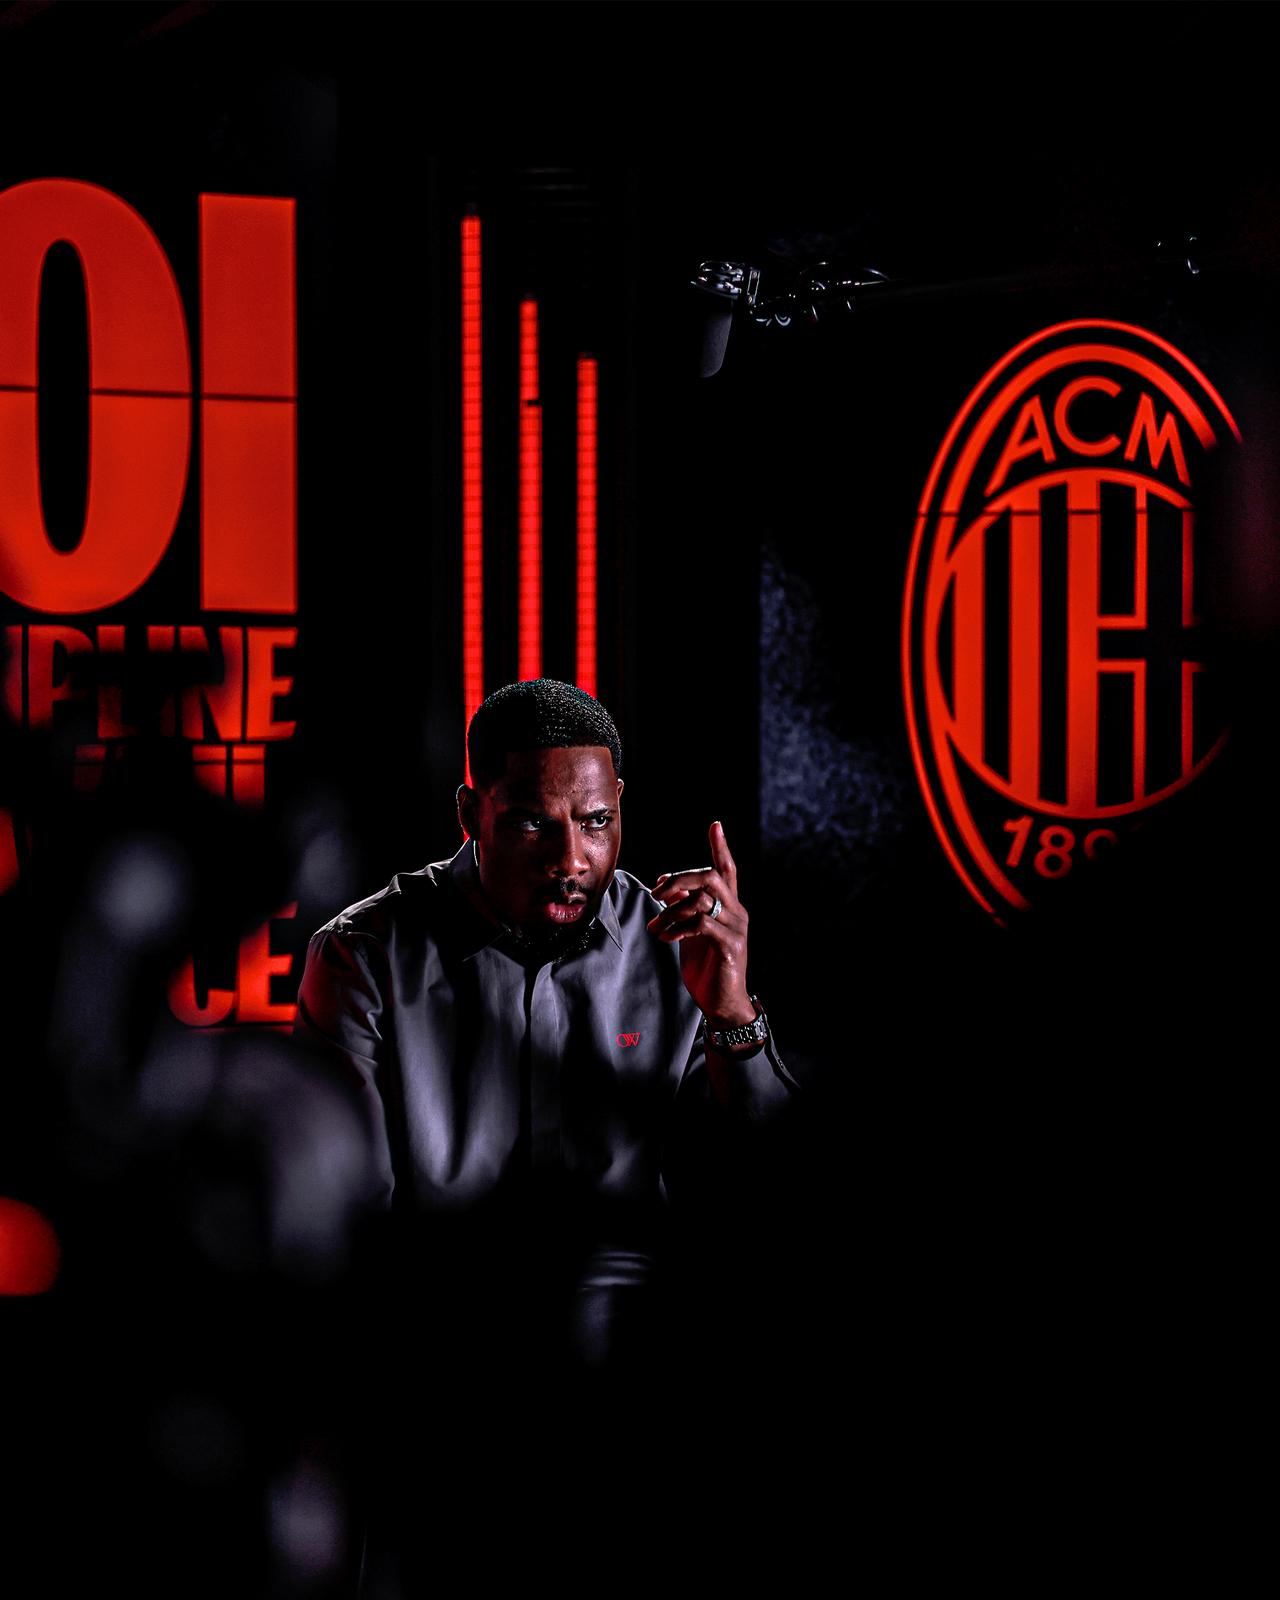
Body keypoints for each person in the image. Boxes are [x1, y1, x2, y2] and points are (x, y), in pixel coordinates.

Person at [293, 679, 801, 1584]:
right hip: (441, 1371)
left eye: (597, 823)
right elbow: (347, 1221)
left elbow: (783, 1183)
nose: (572, 858)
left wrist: (731, 1011)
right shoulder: (365, 954)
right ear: (470, 814)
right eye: (533, 823)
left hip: (633, 1378)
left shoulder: (676, 945)